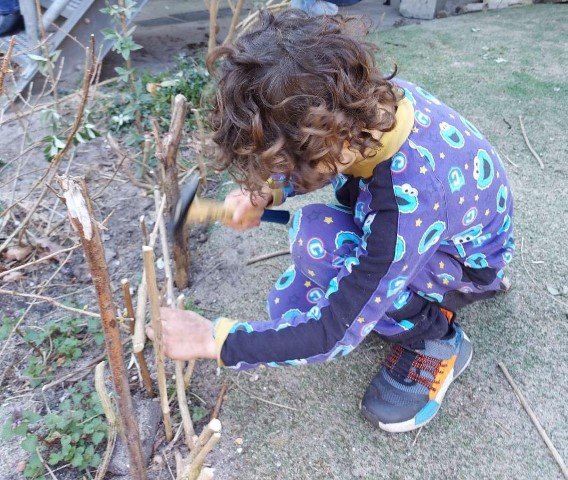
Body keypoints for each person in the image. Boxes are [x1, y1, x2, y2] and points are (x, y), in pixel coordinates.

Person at [147, 9, 514, 433]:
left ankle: (435, 339)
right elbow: (325, 156)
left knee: (320, 251)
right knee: (300, 276)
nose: (281, 170)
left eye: (288, 161)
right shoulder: (370, 107)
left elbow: (330, 333)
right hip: (440, 234)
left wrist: (216, 339)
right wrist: (273, 190)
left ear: (329, 140)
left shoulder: (405, 204)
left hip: (466, 267)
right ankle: (399, 301)